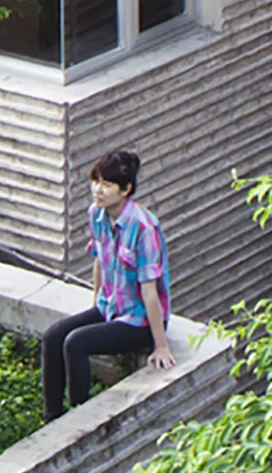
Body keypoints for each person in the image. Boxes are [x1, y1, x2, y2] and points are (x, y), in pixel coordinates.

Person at [41, 149, 176, 419]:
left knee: (76, 343)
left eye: (106, 184)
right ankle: (51, 418)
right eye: (96, 182)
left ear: (125, 190)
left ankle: (77, 417)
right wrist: (95, 306)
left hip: (139, 320)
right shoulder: (97, 214)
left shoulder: (144, 228)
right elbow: (99, 261)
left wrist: (161, 346)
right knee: (53, 337)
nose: (98, 190)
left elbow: (150, 292)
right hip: (110, 307)